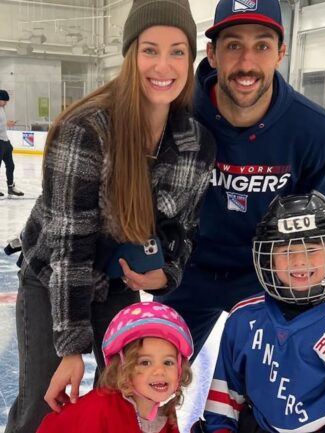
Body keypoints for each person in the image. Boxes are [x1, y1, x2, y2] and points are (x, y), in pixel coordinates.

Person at [5, 0, 216, 431]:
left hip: (115, 283)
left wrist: (167, 273)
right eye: (150, 49)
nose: (164, 64)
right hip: (53, 281)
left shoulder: (197, 143)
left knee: (126, 399)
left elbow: (185, 229)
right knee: (44, 402)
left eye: (178, 50)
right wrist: (70, 347)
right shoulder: (87, 129)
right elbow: (69, 246)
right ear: (130, 55)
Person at [157, 0, 325, 362]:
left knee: (281, 389)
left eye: (262, 45)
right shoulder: (173, 115)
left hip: (268, 276)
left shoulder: (314, 130)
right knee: (148, 382)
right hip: (185, 270)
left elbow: (317, 232)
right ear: (212, 54)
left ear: (281, 53)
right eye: (233, 46)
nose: (246, 63)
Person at [198, 192, 325, 433]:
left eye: (312, 249)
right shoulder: (243, 318)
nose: (298, 261)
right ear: (269, 258)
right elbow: (223, 408)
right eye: (285, 250)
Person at [36, 301, 194, 433]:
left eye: (168, 362)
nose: (160, 371)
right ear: (123, 368)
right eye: (145, 362)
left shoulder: (165, 413)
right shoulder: (101, 408)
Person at [0, 89, 24, 197]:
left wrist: (7, 123)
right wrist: (6, 124)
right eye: (4, 100)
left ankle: (11, 187)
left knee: (11, 165)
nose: (6, 102)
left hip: (5, 141)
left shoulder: (2, 109)